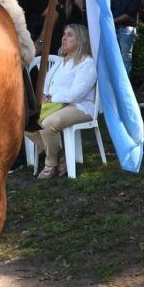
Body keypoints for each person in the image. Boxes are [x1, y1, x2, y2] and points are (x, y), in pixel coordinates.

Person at [27, 24, 96, 179]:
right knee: (26, 122)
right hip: (57, 105)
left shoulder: (87, 62)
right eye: (64, 34)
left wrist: (52, 98)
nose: (64, 38)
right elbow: (48, 82)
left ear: (81, 39)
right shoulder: (61, 62)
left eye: (70, 35)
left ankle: (50, 164)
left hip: (80, 106)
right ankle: (60, 155)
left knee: (47, 124)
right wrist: (45, 95)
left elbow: (78, 92)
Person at [112, 0, 140, 74]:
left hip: (126, 29)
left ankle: (125, 85)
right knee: (115, 57)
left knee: (125, 57)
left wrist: (113, 21)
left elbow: (130, 14)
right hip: (114, 28)